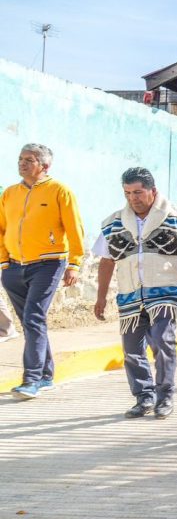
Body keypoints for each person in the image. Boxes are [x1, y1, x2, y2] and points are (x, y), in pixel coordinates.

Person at [93, 167, 177, 419]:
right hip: (130, 295)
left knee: (163, 343)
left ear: (153, 191)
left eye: (138, 192)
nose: (133, 198)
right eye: (128, 193)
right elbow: (107, 261)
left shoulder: (176, 217)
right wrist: (101, 297)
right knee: (131, 349)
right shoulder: (113, 223)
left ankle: (165, 396)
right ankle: (144, 397)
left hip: (165, 294)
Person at [1, 143, 84, 400]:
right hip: (14, 266)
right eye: (20, 158)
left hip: (49, 263)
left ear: (44, 166)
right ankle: (47, 376)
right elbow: (1, 228)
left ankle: (32, 379)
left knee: (33, 317)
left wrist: (74, 264)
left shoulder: (60, 191)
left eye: (29, 160)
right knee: (30, 320)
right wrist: (4, 263)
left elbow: (74, 229)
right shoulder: (10, 193)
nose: (22, 163)